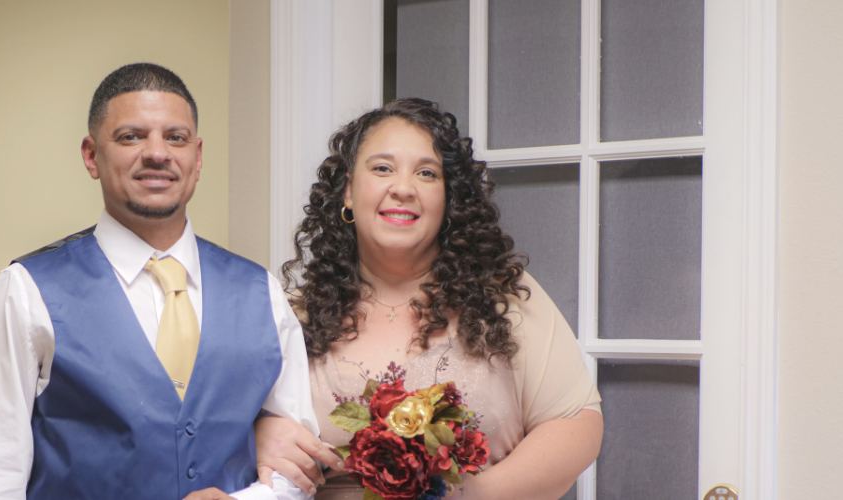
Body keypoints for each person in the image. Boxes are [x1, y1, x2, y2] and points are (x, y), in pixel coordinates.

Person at [0, 63, 320, 500]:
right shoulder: (26, 290)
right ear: (91, 156)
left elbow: (297, 465)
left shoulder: (261, 292)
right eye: (131, 136)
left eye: (175, 138)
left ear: (197, 158)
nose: (157, 153)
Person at [254, 99, 603, 499]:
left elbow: (576, 423)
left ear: (448, 200)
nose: (403, 188)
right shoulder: (292, 317)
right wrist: (260, 435)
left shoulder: (502, 298)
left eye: (426, 173)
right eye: (382, 168)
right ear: (348, 192)